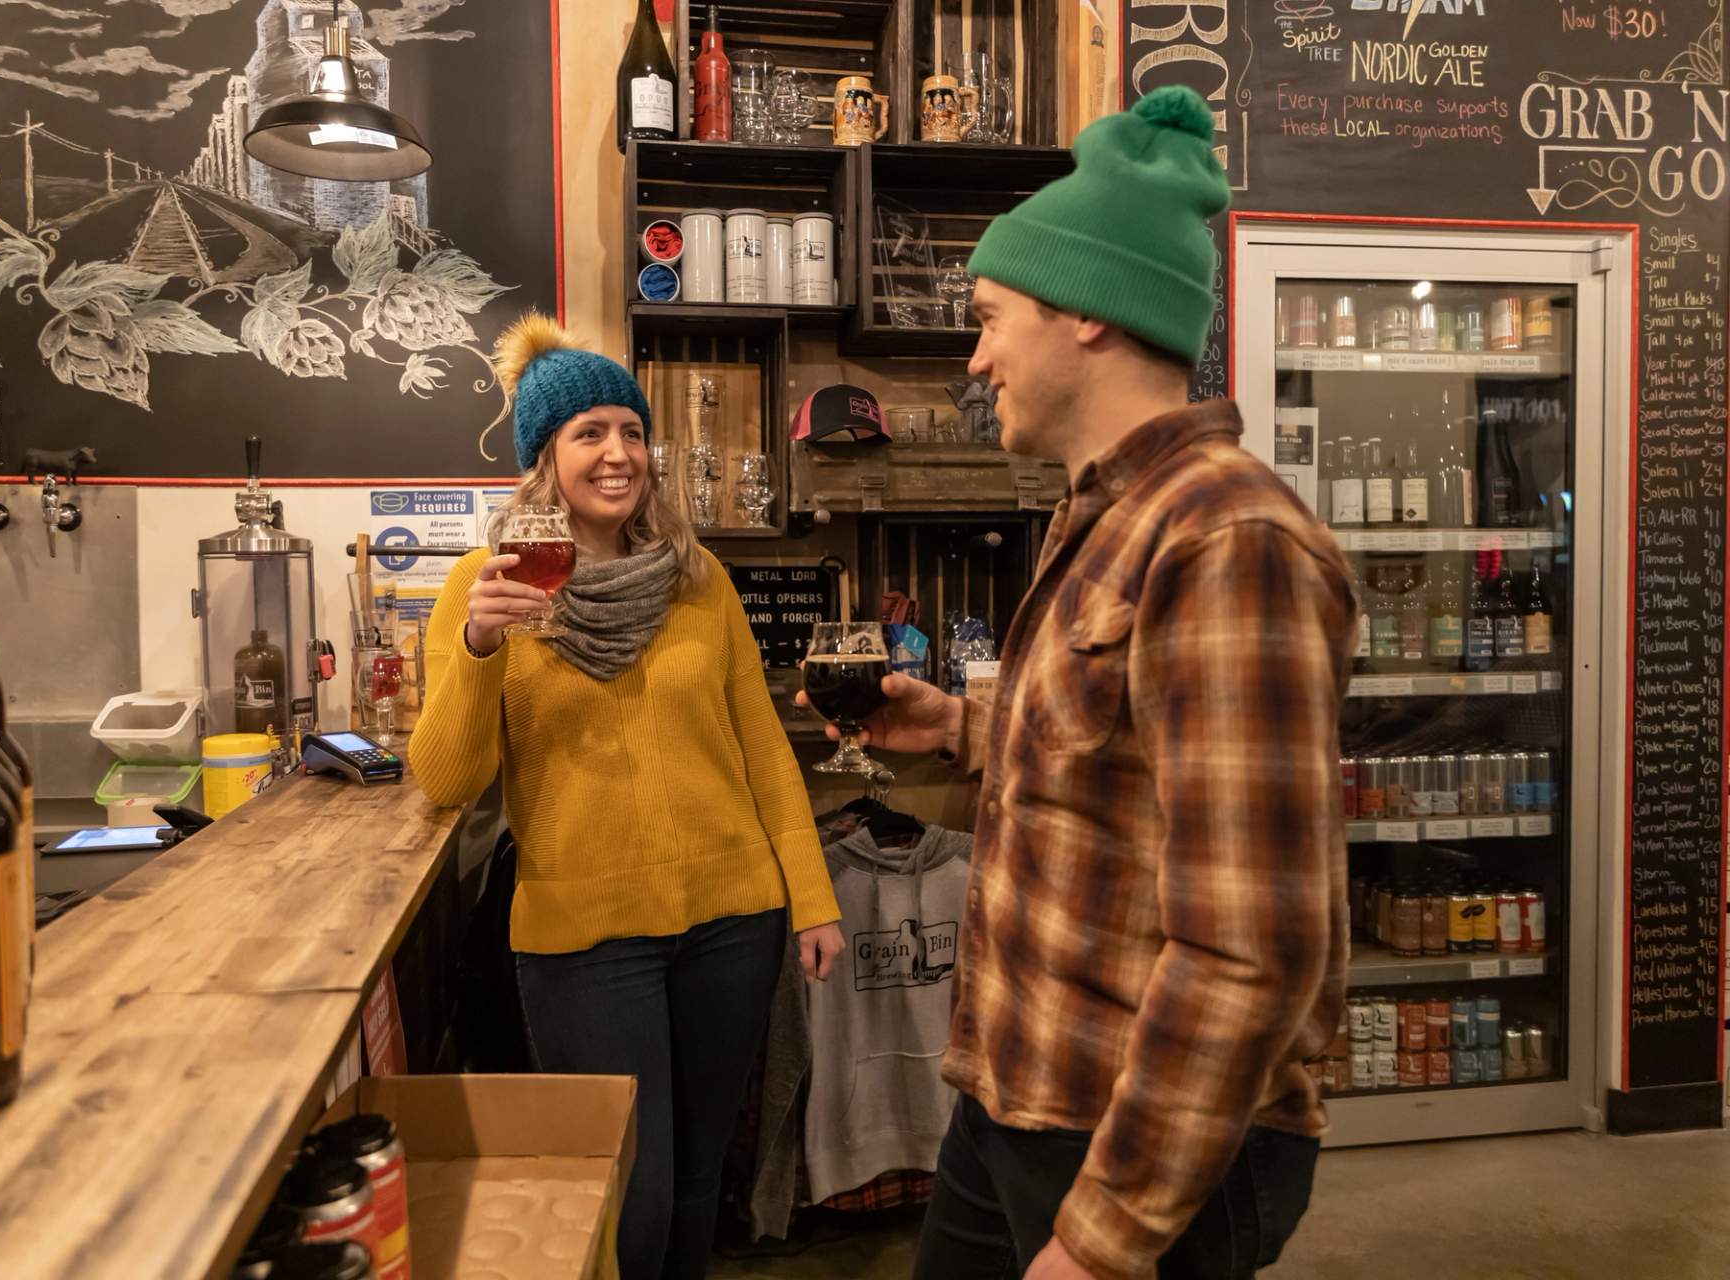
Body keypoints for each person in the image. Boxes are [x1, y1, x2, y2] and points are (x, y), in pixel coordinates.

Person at [802, 86, 1356, 1279]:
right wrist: (960, 721)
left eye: (994, 317)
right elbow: (1126, 749)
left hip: (1140, 1137)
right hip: (1021, 1087)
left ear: (1088, 316)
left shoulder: (1228, 539)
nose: (977, 353)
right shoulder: (1104, 515)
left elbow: (1254, 945)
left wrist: (1106, 1238)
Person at [411, 315, 846, 1280]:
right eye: (588, 434)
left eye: (631, 431)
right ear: (543, 457)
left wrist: (811, 897)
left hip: (735, 920)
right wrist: (481, 651)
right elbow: (446, 778)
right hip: (584, 941)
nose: (618, 455)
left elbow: (765, 752)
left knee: (697, 1180)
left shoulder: (699, 583)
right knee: (626, 1189)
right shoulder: (486, 593)